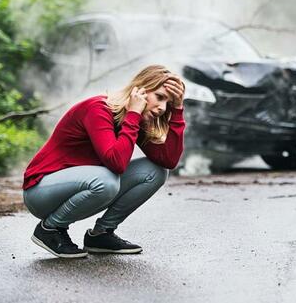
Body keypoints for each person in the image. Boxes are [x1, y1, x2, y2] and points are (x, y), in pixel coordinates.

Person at [22, 65, 186, 258]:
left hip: (80, 188)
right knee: (107, 180)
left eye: (169, 103)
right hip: (40, 192)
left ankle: (101, 234)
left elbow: (168, 160)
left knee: (155, 171)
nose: (162, 108)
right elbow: (116, 163)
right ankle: (49, 229)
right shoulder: (98, 108)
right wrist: (133, 115)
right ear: (140, 90)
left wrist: (178, 111)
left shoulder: (136, 120)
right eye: (159, 97)